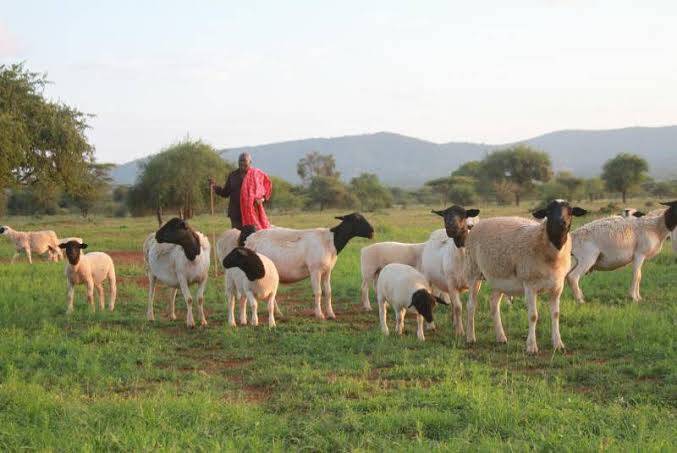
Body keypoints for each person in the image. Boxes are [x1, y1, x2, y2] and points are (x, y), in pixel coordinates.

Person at [209, 153, 272, 230]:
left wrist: (262, 199)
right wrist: (215, 187)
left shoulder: (257, 175)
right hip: (236, 214)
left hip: (252, 213)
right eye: (240, 161)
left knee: (253, 237)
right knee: (237, 237)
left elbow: (267, 186)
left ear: (250, 162)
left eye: (244, 161)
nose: (242, 163)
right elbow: (225, 193)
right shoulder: (232, 175)